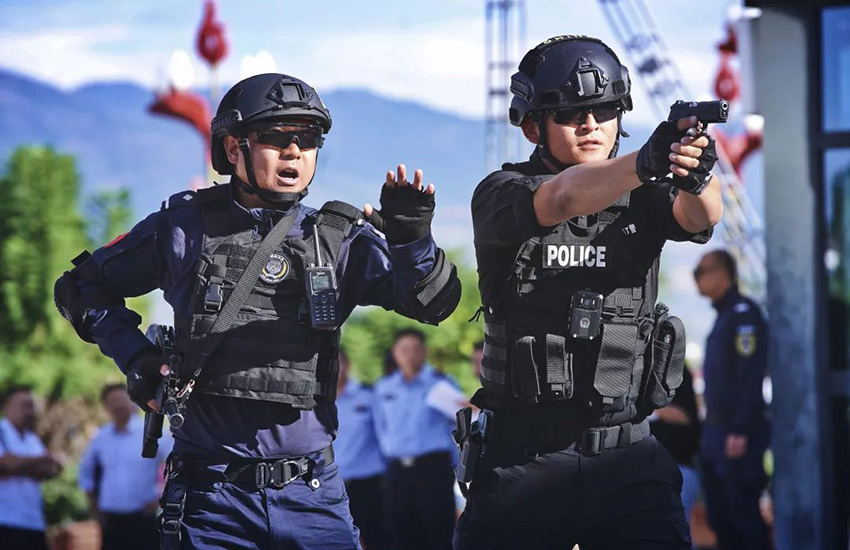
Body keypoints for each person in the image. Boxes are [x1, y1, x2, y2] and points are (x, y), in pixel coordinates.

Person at [53, 72, 461, 550]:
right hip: (211, 498)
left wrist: (413, 242)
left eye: (308, 138)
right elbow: (79, 287)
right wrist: (137, 359)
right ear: (233, 148)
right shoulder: (184, 229)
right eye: (276, 137)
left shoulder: (337, 239)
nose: (294, 151)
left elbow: (435, 304)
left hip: (313, 495)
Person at [455, 35, 722, 549]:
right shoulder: (501, 193)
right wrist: (646, 162)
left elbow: (699, 217)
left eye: (604, 110)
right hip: (524, 460)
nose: (591, 124)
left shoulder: (646, 192)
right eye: (570, 114)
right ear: (532, 126)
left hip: (628, 456)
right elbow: (563, 196)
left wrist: (696, 173)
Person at [694, 249, 771, 550]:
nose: (697, 279)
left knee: (743, 518)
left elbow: (750, 376)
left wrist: (739, 429)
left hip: (736, 435)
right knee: (721, 518)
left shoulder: (743, 314)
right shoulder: (725, 317)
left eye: (701, 272)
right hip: (717, 433)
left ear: (723, 273)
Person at [373, 329, 459, 550]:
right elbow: (380, 428)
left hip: (433, 469)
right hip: (397, 472)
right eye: (404, 349)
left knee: (440, 535)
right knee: (401, 536)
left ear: (425, 351)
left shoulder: (441, 384)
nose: (410, 355)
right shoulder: (383, 387)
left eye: (415, 349)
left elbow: (460, 424)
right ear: (395, 353)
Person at [79, 383, 171, 550]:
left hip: (143, 520)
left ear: (133, 401)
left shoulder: (152, 432)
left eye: (122, 399)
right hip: (111, 522)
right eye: (113, 401)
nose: (119, 405)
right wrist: (95, 511)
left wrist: (160, 499)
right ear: (106, 407)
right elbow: (86, 475)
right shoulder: (101, 437)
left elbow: (177, 463)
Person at [335, 350, 387, 550]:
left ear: (347, 364)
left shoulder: (368, 395)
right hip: (332, 487)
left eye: (338, 362)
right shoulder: (315, 402)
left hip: (369, 486)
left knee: (376, 540)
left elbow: (386, 435)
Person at [0, 386, 62, 550]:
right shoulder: (2, 433)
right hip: (5, 522)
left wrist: (16, 465)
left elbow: (48, 470)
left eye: (31, 406)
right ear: (7, 407)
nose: (29, 411)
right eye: (24, 405)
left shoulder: (32, 439)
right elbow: (5, 464)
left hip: (33, 522)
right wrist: (39, 460)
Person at [649, 366, 702, 532]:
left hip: (678, 467)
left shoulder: (677, 370)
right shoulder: (627, 369)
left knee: (675, 529)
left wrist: (647, 408)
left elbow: (686, 416)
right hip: (639, 469)